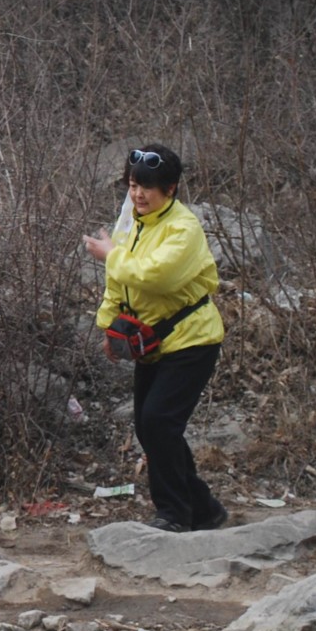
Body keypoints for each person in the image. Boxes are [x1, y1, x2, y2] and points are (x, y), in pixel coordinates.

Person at [83, 146, 226, 534]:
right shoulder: (132, 221)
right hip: (151, 341)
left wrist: (111, 255)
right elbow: (120, 282)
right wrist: (109, 327)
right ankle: (204, 507)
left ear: (171, 189)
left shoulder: (184, 227)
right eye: (133, 185)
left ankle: (174, 514)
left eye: (148, 187)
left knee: (159, 421)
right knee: (150, 427)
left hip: (192, 340)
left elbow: (155, 276)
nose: (138, 195)